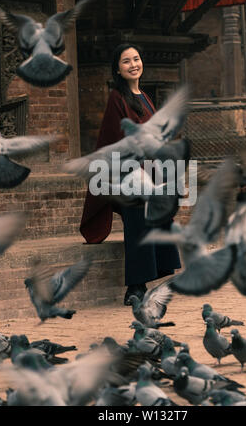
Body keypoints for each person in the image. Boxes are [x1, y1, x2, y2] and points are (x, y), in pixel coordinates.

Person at [80, 43, 181, 305]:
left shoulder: (145, 97)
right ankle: (134, 288)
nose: (133, 64)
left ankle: (150, 276)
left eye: (136, 59)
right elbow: (115, 140)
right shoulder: (118, 97)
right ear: (118, 69)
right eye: (126, 61)